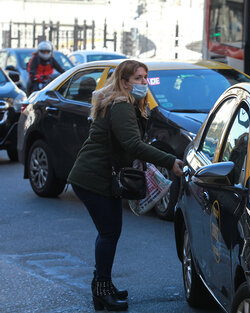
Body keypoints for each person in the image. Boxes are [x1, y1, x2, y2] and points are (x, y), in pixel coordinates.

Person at [67, 60, 184, 311]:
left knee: (110, 232)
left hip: (98, 176)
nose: (144, 83)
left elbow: (128, 143)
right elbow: (132, 143)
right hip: (93, 177)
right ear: (124, 82)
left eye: (146, 78)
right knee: (109, 233)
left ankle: (104, 286)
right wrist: (169, 160)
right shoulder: (120, 106)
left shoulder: (127, 103)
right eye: (139, 78)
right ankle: (101, 291)